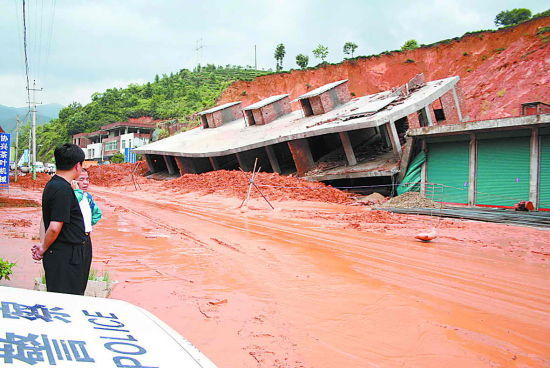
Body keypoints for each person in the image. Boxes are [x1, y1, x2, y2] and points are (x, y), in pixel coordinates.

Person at [32, 143, 89, 295]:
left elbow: (45, 220)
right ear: (78, 166)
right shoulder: (62, 189)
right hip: (66, 256)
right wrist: (43, 247)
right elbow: (55, 226)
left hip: (62, 253)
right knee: (67, 299)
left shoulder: (54, 185)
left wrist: (43, 244)